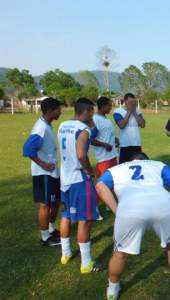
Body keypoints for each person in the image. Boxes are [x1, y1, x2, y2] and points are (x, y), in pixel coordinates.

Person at [95, 152, 170, 300]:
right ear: (147, 160)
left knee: (120, 253)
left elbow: (100, 185)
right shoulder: (157, 165)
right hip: (161, 202)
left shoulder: (117, 168)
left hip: (130, 207)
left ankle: (112, 292)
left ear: (131, 161)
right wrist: (169, 206)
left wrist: (118, 211)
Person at [57, 98, 102, 273]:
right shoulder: (83, 130)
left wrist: (90, 123)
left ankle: (65, 253)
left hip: (65, 178)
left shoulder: (63, 125)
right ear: (89, 110)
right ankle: (86, 263)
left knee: (66, 215)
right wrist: (90, 171)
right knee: (85, 220)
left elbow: (94, 134)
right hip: (79, 180)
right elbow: (82, 155)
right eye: (92, 111)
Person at [22, 97, 62, 247]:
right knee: (45, 205)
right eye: (58, 109)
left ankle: (51, 229)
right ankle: (45, 237)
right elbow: (27, 149)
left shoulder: (47, 125)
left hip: (52, 172)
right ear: (51, 111)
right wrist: (43, 164)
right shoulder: (41, 128)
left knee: (56, 201)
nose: (60, 111)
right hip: (44, 174)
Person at [113, 93, 145, 164]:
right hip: (125, 144)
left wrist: (134, 112)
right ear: (125, 101)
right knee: (124, 166)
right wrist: (129, 111)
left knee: (137, 164)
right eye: (130, 102)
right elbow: (121, 125)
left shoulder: (137, 111)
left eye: (134, 102)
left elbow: (142, 125)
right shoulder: (118, 111)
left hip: (136, 144)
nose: (132, 104)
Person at [92, 96, 118, 178]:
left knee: (113, 181)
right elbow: (91, 140)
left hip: (113, 155)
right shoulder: (95, 119)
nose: (111, 107)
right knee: (103, 184)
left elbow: (106, 134)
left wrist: (115, 140)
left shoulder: (106, 119)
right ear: (103, 106)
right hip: (103, 158)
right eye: (109, 106)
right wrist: (105, 145)